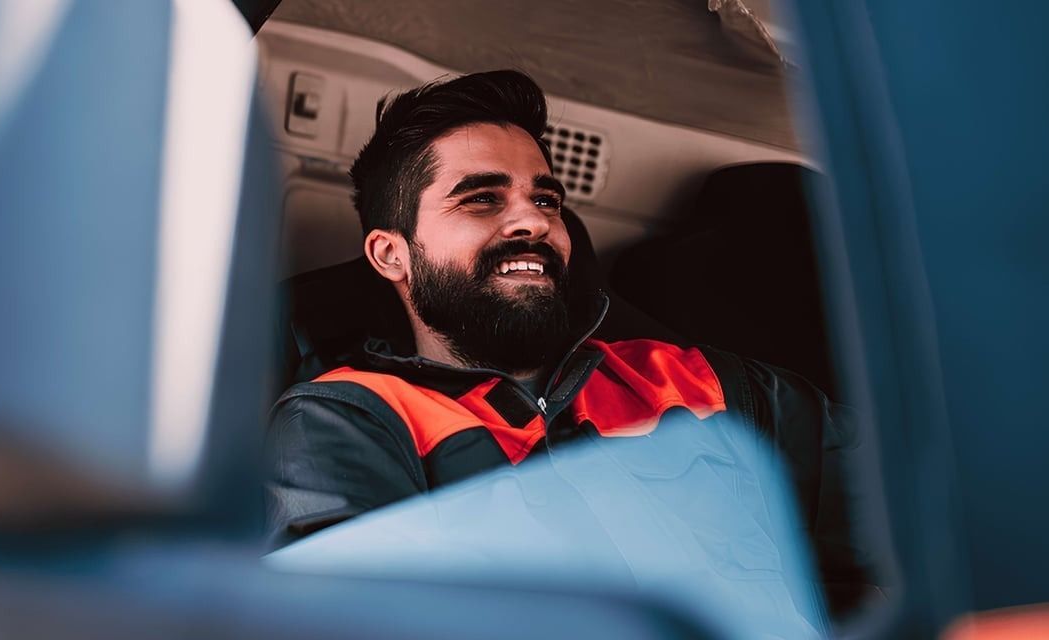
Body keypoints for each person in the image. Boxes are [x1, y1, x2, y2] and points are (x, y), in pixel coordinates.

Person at [266, 70, 875, 614]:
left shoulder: (695, 382)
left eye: (545, 199)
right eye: (481, 199)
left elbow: (917, 500)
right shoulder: (349, 420)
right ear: (391, 254)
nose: (534, 221)